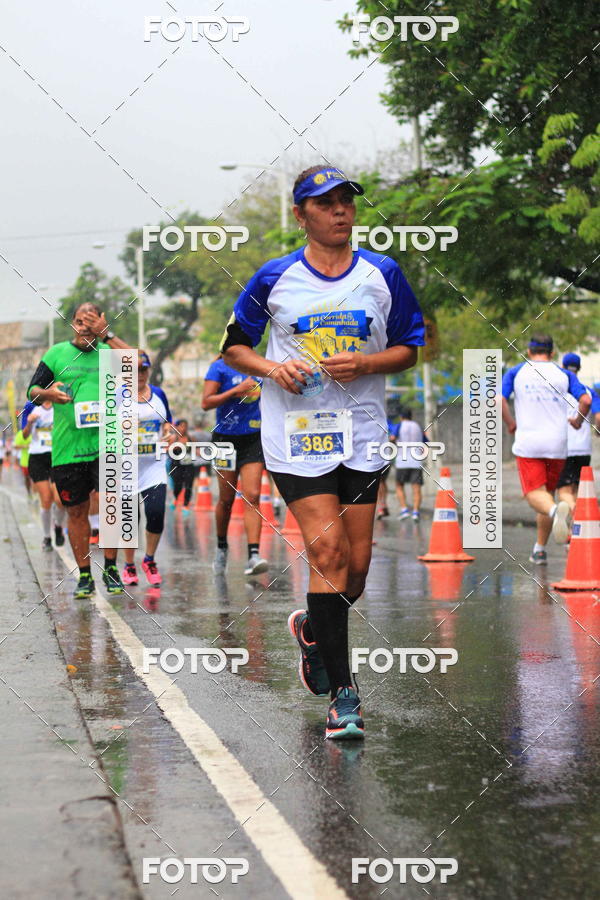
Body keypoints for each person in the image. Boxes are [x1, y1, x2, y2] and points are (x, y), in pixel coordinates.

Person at [221, 164, 424, 739]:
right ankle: (344, 695)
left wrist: (366, 362)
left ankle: (315, 628)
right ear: (300, 214)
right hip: (297, 435)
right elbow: (234, 347)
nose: (340, 211)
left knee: (355, 569)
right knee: (328, 552)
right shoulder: (275, 277)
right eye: (325, 203)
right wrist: (272, 368)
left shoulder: (383, 273)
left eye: (346, 202)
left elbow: (410, 347)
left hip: (362, 435)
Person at [27, 302, 131, 597]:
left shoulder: (109, 352)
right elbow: (32, 392)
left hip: (107, 443)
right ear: (73, 324)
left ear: (101, 322)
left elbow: (137, 365)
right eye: (80, 321)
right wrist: (48, 393)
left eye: (91, 320)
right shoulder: (56, 354)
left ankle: (110, 568)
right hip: (68, 448)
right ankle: (85, 575)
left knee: (112, 504)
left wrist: (108, 335)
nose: (85, 327)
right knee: (76, 511)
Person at [501, 334, 591, 565]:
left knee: (535, 495)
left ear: (529, 351)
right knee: (547, 495)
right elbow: (586, 401)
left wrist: (510, 423)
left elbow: (497, 400)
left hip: (529, 444)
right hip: (558, 445)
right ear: (552, 353)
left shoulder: (516, 372)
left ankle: (555, 512)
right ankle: (539, 550)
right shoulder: (565, 375)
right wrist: (578, 421)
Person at [202, 354, 268, 576]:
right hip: (225, 440)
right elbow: (205, 403)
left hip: (253, 437)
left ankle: (253, 555)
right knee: (226, 499)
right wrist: (235, 391)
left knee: (253, 495)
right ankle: (222, 547)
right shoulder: (219, 367)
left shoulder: (259, 365)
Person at [122, 351, 173, 587]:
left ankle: (149, 560)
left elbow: (168, 423)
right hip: (126, 466)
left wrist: (169, 435)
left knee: (155, 513)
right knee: (130, 518)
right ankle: (128, 565)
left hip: (154, 465)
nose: (139, 374)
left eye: (143, 369)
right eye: (134, 370)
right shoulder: (117, 396)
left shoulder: (159, 394)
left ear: (149, 370)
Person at [21, 399, 66, 550]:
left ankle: (58, 526)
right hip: (37, 457)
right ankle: (47, 537)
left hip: (57, 455)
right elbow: (25, 435)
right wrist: (29, 423)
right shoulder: (30, 405)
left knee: (60, 500)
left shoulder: (60, 402)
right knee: (46, 499)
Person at [557, 352, 599, 507]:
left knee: (563, 491)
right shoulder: (588, 391)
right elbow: (599, 417)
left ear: (562, 367)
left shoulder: (557, 389)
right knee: (575, 489)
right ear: (579, 368)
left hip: (564, 449)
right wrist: (597, 431)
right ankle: (574, 521)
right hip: (584, 448)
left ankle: (572, 511)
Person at [395, 408, 427, 522]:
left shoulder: (399, 425)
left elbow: (393, 438)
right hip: (416, 461)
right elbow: (426, 442)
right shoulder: (417, 426)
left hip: (402, 462)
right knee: (416, 488)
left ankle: (404, 510)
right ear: (411, 416)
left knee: (399, 486)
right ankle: (415, 512)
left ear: (401, 417)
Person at [168, 418, 196, 513]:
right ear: (177, 427)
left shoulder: (191, 438)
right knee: (178, 486)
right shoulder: (173, 438)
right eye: (181, 426)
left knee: (189, 485)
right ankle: (175, 498)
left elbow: (196, 450)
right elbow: (167, 450)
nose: (183, 428)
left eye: (185, 426)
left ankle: (186, 505)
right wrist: (173, 448)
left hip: (189, 465)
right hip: (177, 466)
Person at [375, 416, 398, 519]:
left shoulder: (384, 422)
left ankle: (381, 506)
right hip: (384, 459)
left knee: (379, 483)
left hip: (381, 460)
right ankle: (384, 505)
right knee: (382, 482)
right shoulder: (388, 424)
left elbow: (393, 437)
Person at [13, 426, 32, 496]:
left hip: (37, 459)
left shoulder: (36, 431)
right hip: (25, 461)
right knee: (27, 478)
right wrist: (25, 446)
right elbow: (15, 446)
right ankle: (29, 492)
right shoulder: (20, 433)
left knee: (35, 478)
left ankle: (36, 493)